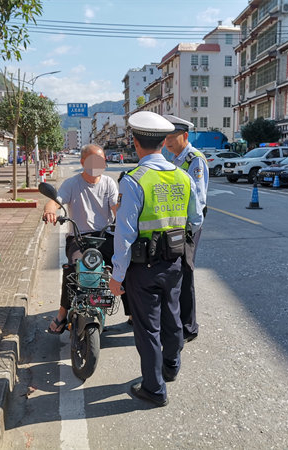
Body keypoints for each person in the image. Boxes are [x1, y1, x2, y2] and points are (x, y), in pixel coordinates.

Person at [109, 111, 203, 407]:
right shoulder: (184, 177)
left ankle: (154, 388)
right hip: (174, 261)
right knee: (172, 315)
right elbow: (196, 219)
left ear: (135, 143)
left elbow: (123, 235)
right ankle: (171, 366)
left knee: (148, 328)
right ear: (163, 142)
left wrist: (116, 276)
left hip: (142, 268)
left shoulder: (134, 180)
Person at [42, 144, 118, 334]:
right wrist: (50, 211)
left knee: (124, 264)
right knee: (73, 270)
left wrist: (125, 218)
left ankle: (133, 312)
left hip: (105, 236)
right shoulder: (72, 183)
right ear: (83, 161)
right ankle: (62, 314)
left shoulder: (109, 183)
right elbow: (56, 201)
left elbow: (116, 208)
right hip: (79, 237)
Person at [163, 114, 208, 343]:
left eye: (173, 136)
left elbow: (198, 199)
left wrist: (189, 230)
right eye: (166, 137)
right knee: (177, 272)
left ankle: (189, 327)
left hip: (189, 226)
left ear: (185, 136)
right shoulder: (173, 159)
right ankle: (176, 320)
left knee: (186, 273)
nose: (168, 141)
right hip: (176, 225)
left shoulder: (193, 159)